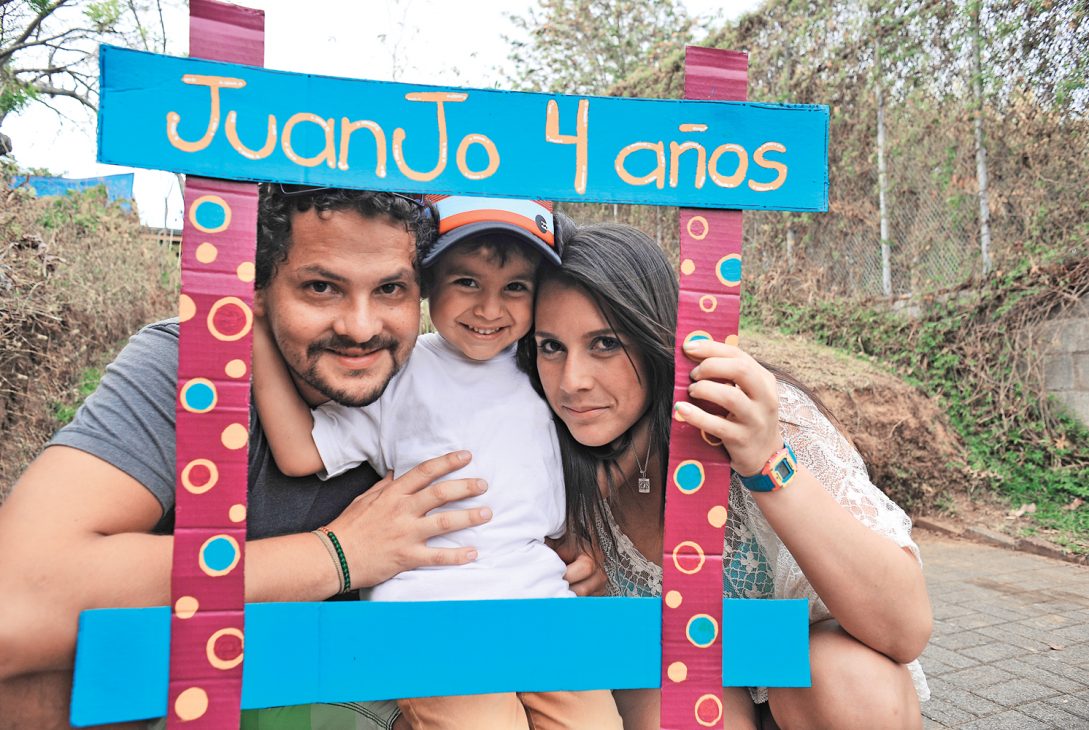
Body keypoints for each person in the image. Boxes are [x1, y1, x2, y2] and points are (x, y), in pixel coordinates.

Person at [0, 186, 604, 730]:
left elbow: (612, 413)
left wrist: (574, 541)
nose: (361, 327)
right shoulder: (195, 366)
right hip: (251, 685)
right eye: (321, 286)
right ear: (260, 288)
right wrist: (338, 555)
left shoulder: (511, 373)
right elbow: (18, 603)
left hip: (440, 650)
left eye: (390, 289)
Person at [519, 220, 933, 730]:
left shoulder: (753, 414)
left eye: (605, 343)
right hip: (681, 683)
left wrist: (766, 464)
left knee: (856, 687)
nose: (572, 381)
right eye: (550, 347)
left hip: (809, 683)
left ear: (656, 339)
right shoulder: (535, 450)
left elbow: (904, 627)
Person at [251, 194, 622, 729]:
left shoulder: (546, 368)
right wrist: (256, 325)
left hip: (541, 604)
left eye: (515, 287)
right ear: (425, 284)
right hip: (429, 614)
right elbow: (299, 453)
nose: (490, 309)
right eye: (467, 282)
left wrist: (582, 539)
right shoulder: (400, 373)